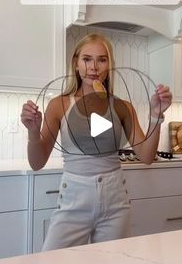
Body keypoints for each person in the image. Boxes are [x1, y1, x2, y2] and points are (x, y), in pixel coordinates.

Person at [21, 33, 172, 250]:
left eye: (102, 59)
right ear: (76, 64)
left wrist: (156, 115)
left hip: (115, 201)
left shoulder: (122, 107)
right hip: (74, 198)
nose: (94, 67)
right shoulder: (59, 105)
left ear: (109, 65)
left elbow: (147, 156)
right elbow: (37, 163)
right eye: (87, 59)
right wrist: (33, 132)